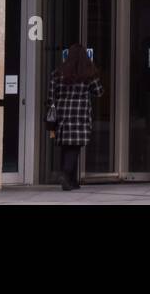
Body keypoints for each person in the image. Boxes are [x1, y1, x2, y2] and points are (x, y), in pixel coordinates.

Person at [48, 43, 103, 191]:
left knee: (66, 147)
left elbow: (50, 96)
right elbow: (99, 92)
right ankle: (67, 177)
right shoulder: (88, 74)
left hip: (63, 115)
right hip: (80, 115)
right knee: (74, 147)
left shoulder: (57, 73)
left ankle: (71, 180)